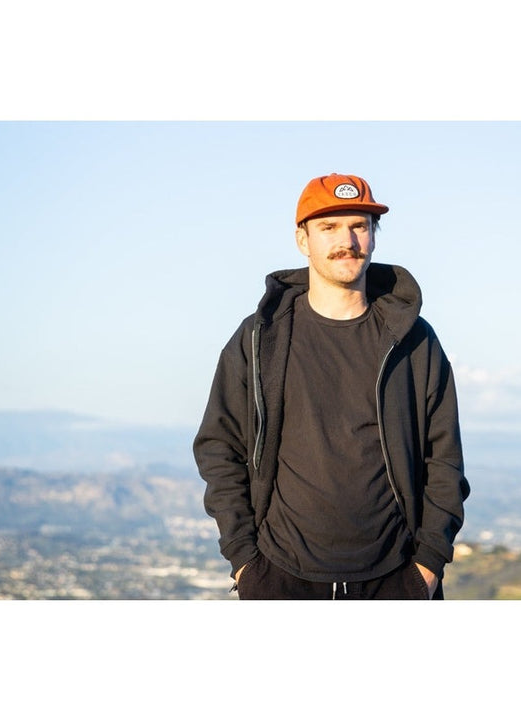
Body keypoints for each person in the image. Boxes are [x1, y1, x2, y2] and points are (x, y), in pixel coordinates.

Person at [193, 173, 469, 600]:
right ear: (302, 240)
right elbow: (218, 446)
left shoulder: (413, 339)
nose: (347, 240)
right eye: (329, 227)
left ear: (373, 236)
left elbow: (445, 458)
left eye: (359, 226)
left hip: (395, 578)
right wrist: (245, 561)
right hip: (280, 576)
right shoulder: (261, 337)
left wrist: (428, 566)